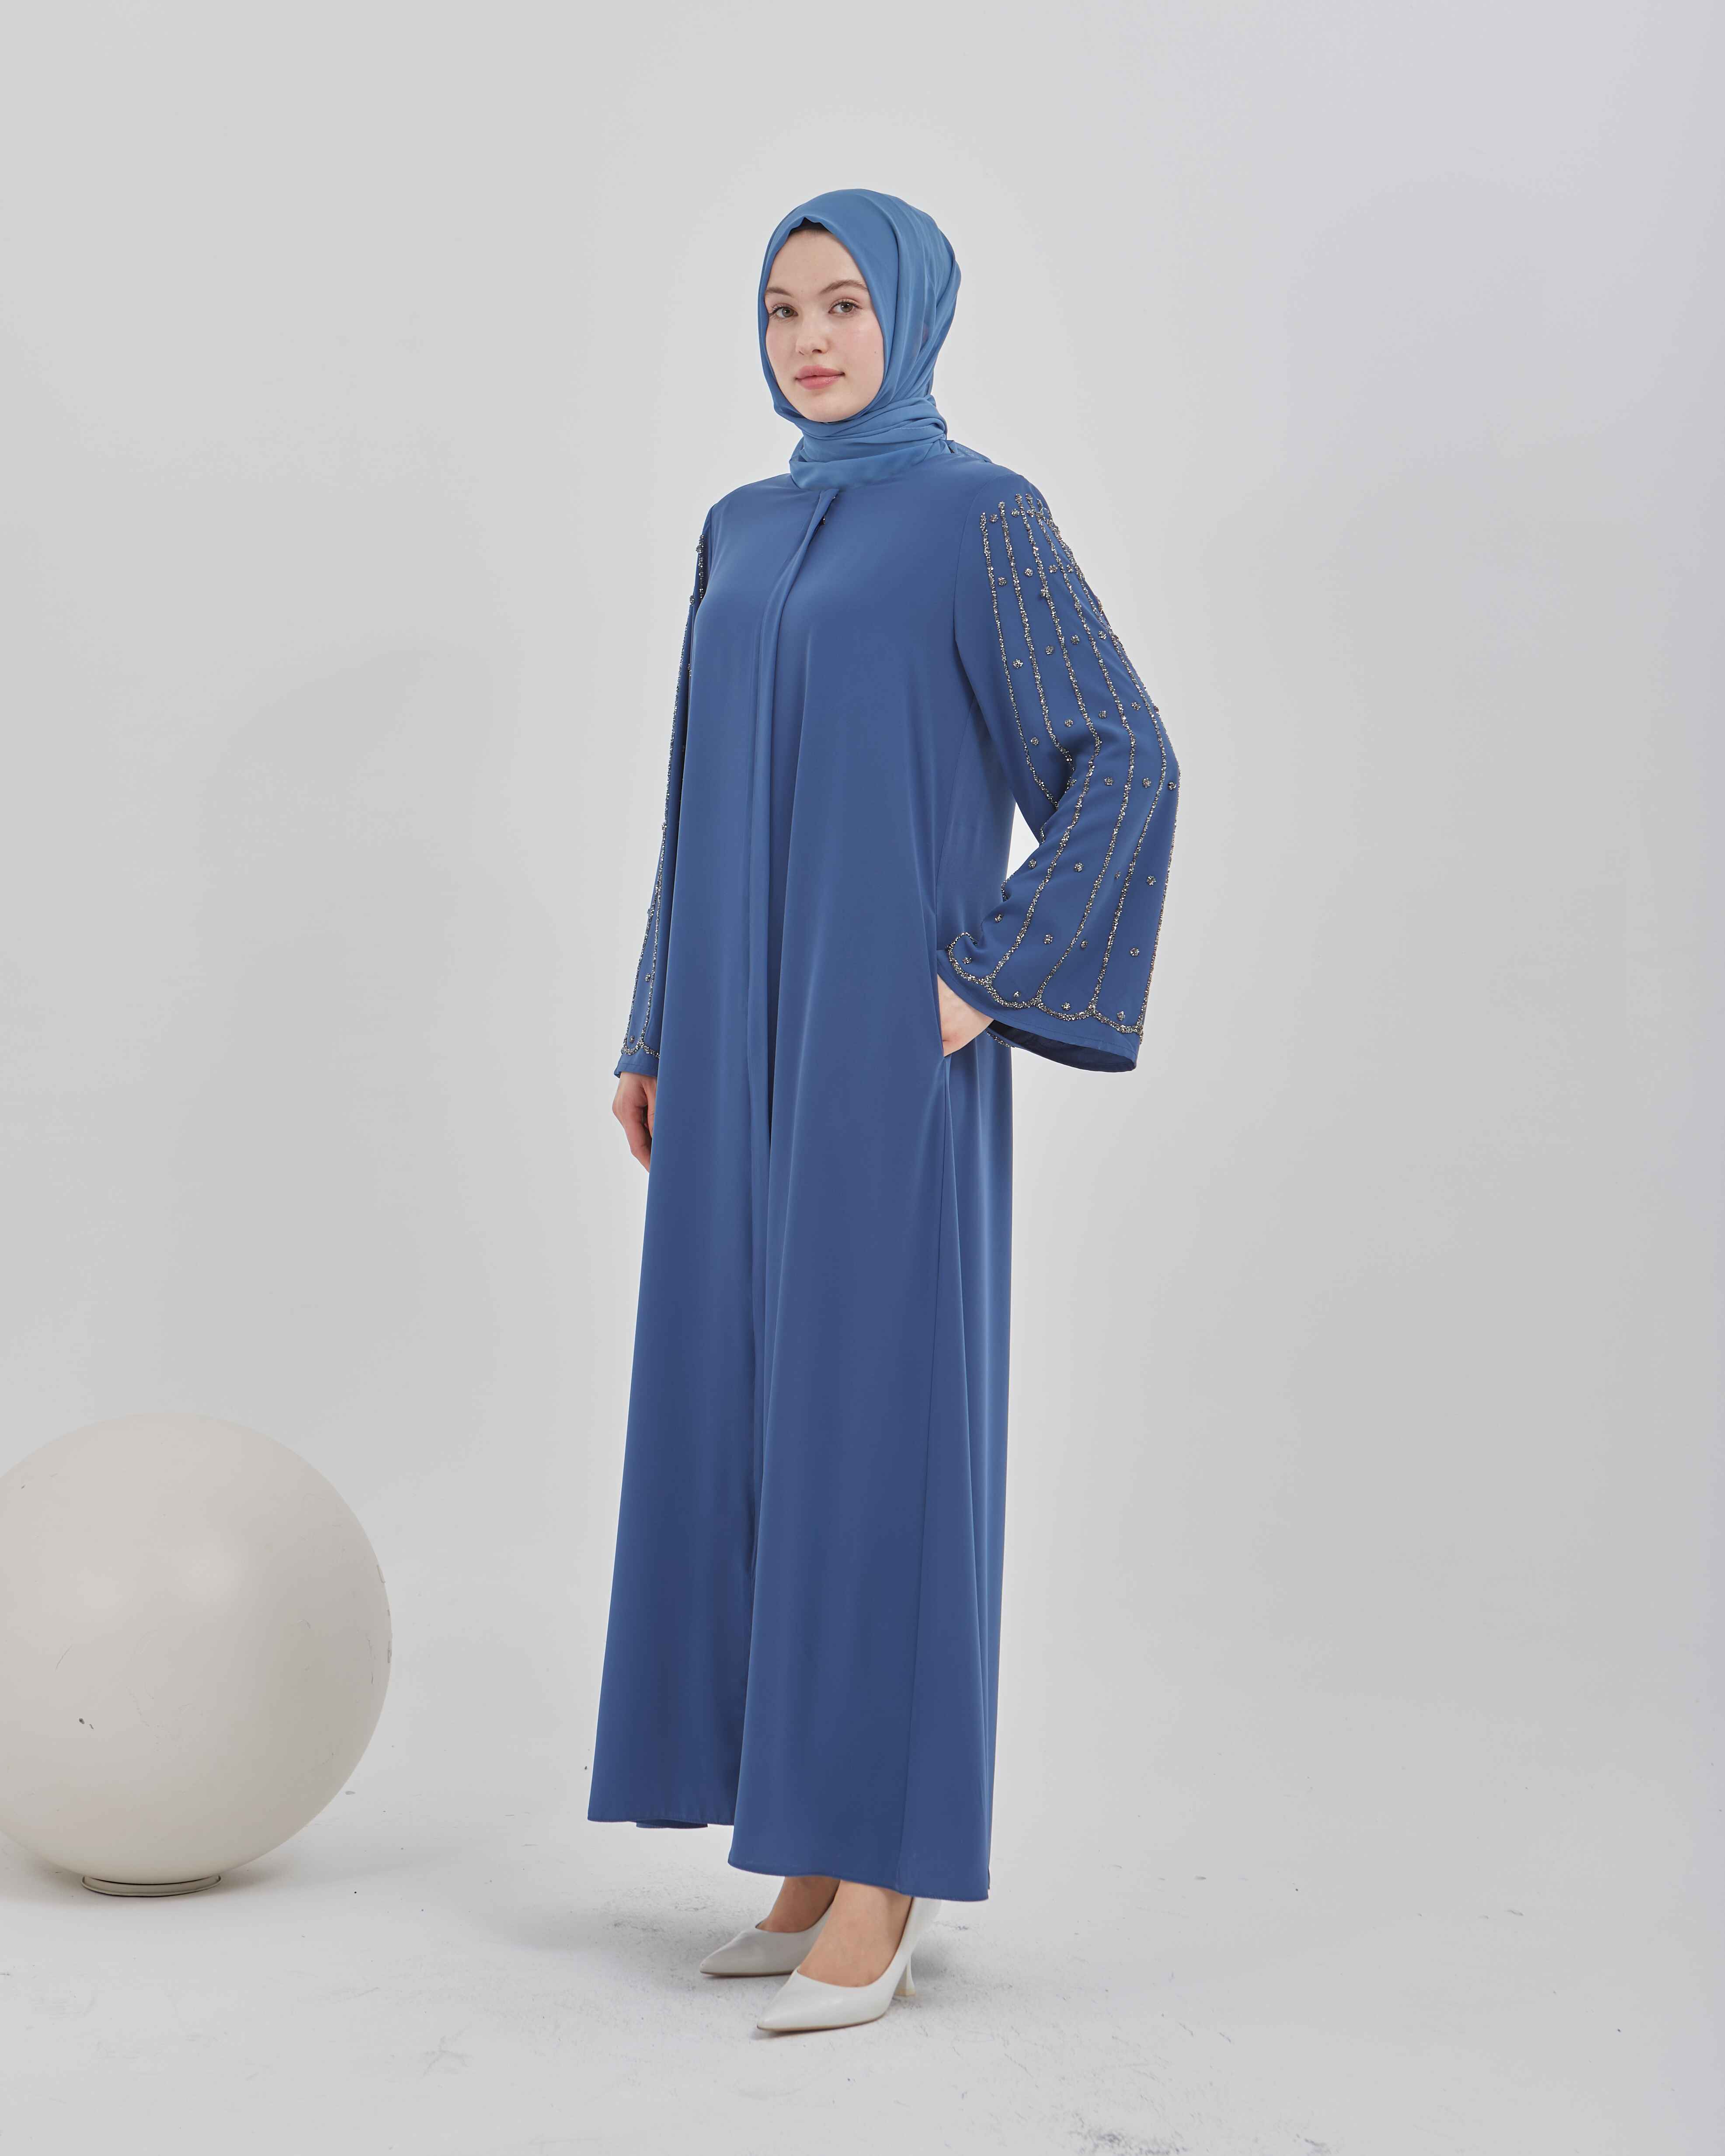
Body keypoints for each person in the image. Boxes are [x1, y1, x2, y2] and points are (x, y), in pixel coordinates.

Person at [588, 187, 1180, 2035]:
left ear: (910, 313)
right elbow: (694, 794)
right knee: (747, 1418)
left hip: (875, 1050)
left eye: (844, 303)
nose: (812, 339)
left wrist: (985, 975)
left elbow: (1123, 756)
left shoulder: (979, 519)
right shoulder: (743, 526)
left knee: (877, 1430)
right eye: (783, 310)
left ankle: (890, 1867)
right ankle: (804, 1844)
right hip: (728, 1044)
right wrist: (656, 1023)